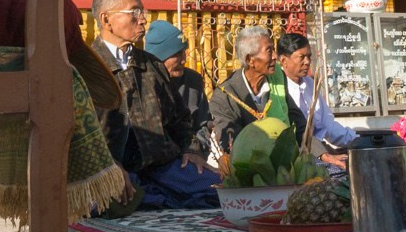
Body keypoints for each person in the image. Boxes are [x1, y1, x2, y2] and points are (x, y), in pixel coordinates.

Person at [89, 0, 216, 209]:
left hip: (163, 166)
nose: (142, 20)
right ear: (106, 19)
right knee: (115, 201)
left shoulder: (151, 65)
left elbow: (181, 119)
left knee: (217, 188)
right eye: (134, 12)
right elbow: (77, 134)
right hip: (110, 170)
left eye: (143, 12)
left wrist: (191, 149)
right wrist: (106, 167)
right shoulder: (86, 68)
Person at [275, 34, 360, 153]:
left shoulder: (310, 84)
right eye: (302, 57)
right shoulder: (277, 88)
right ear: (284, 60)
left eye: (309, 56)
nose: (307, 62)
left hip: (317, 149)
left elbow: (328, 125)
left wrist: (357, 140)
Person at [143, 19, 211, 159]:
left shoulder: (193, 81)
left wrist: (194, 150)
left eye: (184, 52)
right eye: (176, 54)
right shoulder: (141, 83)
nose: (184, 60)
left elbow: (202, 125)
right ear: (158, 57)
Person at [209, 26, 279, 155]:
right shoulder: (225, 96)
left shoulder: (277, 82)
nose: (275, 56)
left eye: (274, 50)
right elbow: (230, 141)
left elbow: (297, 121)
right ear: (250, 60)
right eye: (269, 51)